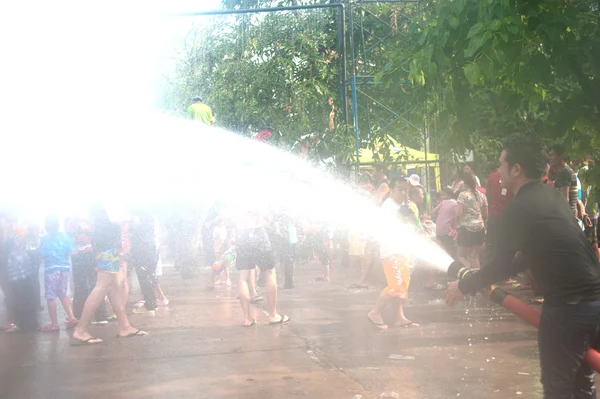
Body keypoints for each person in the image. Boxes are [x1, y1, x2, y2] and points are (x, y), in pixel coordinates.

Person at [446, 138, 600, 398]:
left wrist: (463, 285)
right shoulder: (552, 196)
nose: (498, 171)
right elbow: (527, 256)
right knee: (582, 383)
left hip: (567, 309)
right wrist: (474, 281)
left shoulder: (518, 207)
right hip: (596, 301)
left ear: (516, 169)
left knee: (559, 388)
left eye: (501, 165)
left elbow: (501, 265)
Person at [72, 207, 147, 345]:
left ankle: (124, 326)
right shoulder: (108, 198)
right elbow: (114, 217)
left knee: (111, 285)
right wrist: (130, 217)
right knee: (102, 286)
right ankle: (81, 329)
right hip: (108, 247)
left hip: (109, 246)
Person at [367, 176, 420, 329]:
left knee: (401, 285)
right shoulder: (390, 206)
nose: (404, 192)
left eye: (406, 190)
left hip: (401, 251)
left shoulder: (399, 205)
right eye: (400, 189)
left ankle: (399, 317)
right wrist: (406, 215)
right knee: (396, 286)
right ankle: (375, 312)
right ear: (391, 190)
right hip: (393, 252)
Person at [235, 203, 289, 327]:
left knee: (243, 276)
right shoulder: (256, 193)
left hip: (242, 236)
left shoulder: (235, 199)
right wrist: (273, 224)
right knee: (269, 272)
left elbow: (229, 217)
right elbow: (262, 214)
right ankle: (273, 315)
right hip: (258, 233)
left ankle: (247, 318)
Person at [38, 215, 78, 332]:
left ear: (46, 226)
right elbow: (71, 251)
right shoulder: (65, 237)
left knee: (51, 297)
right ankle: (71, 317)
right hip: (64, 269)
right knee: (62, 294)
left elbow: (42, 254)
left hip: (51, 269)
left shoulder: (45, 239)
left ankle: (54, 324)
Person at [66, 215, 108, 325]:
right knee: (95, 284)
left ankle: (80, 315)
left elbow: (70, 240)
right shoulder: (88, 222)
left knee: (83, 285)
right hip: (88, 254)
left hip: (80, 255)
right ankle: (100, 315)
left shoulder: (72, 224)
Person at [4, 222, 40, 333]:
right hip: (25, 274)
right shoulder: (25, 241)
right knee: (27, 300)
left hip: (16, 276)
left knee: (19, 301)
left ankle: (21, 324)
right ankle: (32, 324)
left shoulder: (12, 240)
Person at [454, 172, 488, 270]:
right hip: (479, 229)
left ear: (464, 184)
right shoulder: (482, 195)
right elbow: (486, 215)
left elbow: (458, 213)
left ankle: (469, 276)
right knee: (474, 256)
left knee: (461, 256)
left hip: (466, 229)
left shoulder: (463, 195)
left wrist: (456, 225)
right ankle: (476, 281)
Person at [130, 211, 159, 315]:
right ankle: (152, 304)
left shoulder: (137, 211)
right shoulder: (149, 210)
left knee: (143, 276)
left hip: (141, 246)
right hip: (151, 244)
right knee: (149, 274)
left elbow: (136, 223)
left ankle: (149, 306)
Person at [485, 167, 513, 263]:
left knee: (491, 243)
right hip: (507, 217)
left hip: (493, 214)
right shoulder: (512, 178)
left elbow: (487, 194)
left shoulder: (492, 176)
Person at [549, 143, 578, 218]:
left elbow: (564, 200)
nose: (550, 158)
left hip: (565, 219)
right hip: (570, 217)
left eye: (553, 155)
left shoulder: (563, 172)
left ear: (561, 156)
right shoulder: (569, 171)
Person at [432, 188, 457, 258]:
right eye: (441, 195)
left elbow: (433, 211)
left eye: (444, 195)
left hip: (438, 230)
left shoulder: (443, 202)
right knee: (450, 249)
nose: (442, 197)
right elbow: (456, 218)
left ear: (450, 195)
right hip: (447, 231)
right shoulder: (454, 204)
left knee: (441, 248)